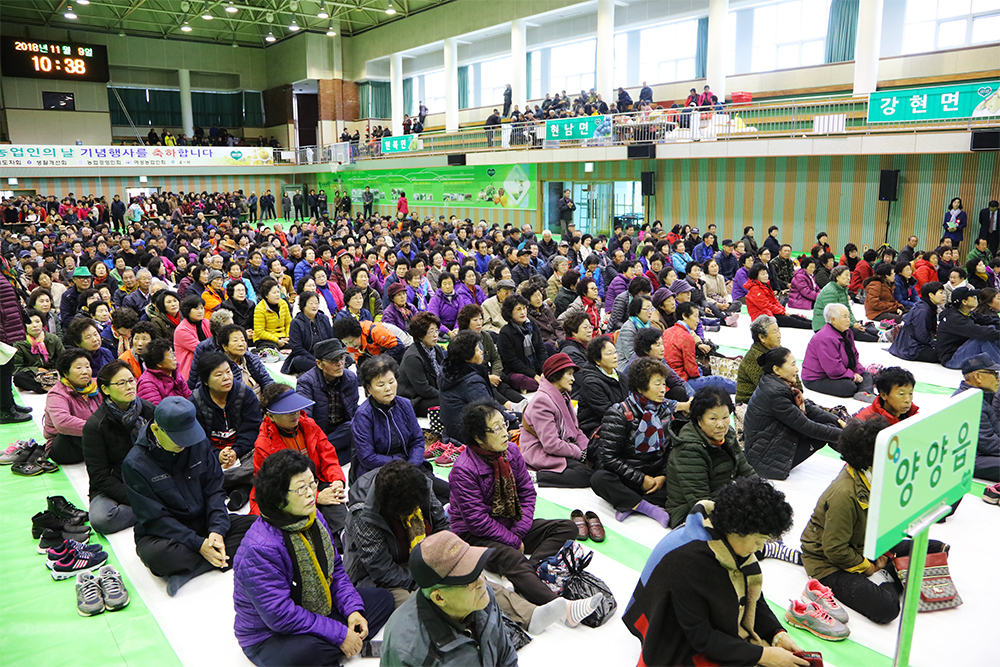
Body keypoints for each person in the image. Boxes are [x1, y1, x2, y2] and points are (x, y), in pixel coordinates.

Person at [344, 460, 581, 634]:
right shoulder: (364, 515)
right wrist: (428, 580)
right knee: (420, 603)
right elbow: (381, 570)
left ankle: (529, 614)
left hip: (425, 554)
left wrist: (445, 563)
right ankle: (467, 631)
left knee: (473, 579)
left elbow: (442, 527)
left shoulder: (419, 488)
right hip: (386, 575)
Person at [623, 477, 807, 667]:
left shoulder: (725, 537)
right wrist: (763, 655)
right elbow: (701, 637)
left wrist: (776, 633)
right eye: (759, 540)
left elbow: (751, 593)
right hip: (673, 630)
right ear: (737, 530)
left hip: (692, 614)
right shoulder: (689, 560)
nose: (760, 548)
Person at [233, 449, 392, 667]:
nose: (311, 494)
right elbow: (280, 616)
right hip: (270, 634)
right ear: (278, 498)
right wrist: (339, 634)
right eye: (301, 488)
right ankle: (341, 645)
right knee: (304, 655)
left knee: (382, 600)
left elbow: (335, 569)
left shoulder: (313, 517)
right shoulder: (260, 548)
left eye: (313, 483)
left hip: (315, 608)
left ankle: (340, 645)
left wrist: (352, 610)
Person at [800, 417, 947, 624]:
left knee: (935, 548)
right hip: (828, 563)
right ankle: (884, 575)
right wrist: (869, 567)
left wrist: (884, 549)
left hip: (864, 544)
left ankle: (888, 568)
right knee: (887, 608)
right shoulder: (845, 494)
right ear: (870, 459)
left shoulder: (875, 478)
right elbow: (834, 549)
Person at [449, 401, 584, 607]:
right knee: (512, 557)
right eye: (496, 429)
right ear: (478, 437)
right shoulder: (463, 470)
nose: (505, 432)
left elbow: (527, 492)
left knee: (567, 527)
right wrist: (513, 541)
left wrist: (518, 532)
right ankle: (562, 607)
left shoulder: (511, 451)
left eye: (504, 424)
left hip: (510, 522)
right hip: (474, 536)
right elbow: (477, 522)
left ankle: (529, 571)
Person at [123, 397, 258, 596]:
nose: (185, 444)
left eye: (189, 437)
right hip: (168, 534)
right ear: (156, 430)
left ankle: (193, 570)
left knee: (257, 527)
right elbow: (155, 519)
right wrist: (197, 543)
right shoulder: (135, 463)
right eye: (179, 439)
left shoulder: (198, 442)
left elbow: (214, 490)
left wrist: (217, 530)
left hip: (204, 522)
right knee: (158, 557)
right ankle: (214, 557)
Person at [380, 531, 519, 667]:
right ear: (439, 597)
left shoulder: (482, 598)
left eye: (478, 569)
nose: (482, 582)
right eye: (469, 579)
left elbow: (506, 657)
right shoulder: (407, 650)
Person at [590, 357, 687, 527]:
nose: (663, 389)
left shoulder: (664, 410)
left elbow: (670, 449)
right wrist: (642, 480)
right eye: (657, 384)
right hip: (630, 475)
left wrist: (662, 476)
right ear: (641, 387)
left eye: (664, 384)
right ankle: (647, 507)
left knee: (686, 476)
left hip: (656, 475)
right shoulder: (619, 413)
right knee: (599, 479)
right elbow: (607, 457)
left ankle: (629, 502)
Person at [252, 384, 349, 539]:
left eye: (296, 409)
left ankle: (345, 535)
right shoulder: (264, 445)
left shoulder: (309, 425)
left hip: (314, 481)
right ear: (270, 416)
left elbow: (328, 456)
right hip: (288, 494)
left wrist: (337, 479)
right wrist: (315, 497)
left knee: (334, 497)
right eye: (288, 411)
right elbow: (275, 489)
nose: (295, 414)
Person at [352, 355, 449, 503]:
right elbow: (367, 458)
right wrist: (401, 465)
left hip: (411, 465)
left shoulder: (404, 404)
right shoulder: (363, 415)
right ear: (368, 388)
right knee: (421, 499)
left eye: (391, 382)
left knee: (450, 492)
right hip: (381, 472)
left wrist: (413, 463)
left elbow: (417, 440)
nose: (388, 388)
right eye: (380, 384)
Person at [744, 347, 843, 480]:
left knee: (831, 424)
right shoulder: (775, 393)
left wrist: (839, 421)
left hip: (771, 441)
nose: (797, 369)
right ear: (777, 369)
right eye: (792, 364)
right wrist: (847, 434)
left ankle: (859, 456)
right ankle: (861, 459)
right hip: (765, 459)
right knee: (824, 432)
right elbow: (808, 427)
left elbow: (809, 409)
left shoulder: (780, 384)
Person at [665, 387, 757, 528]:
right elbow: (700, 500)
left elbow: (746, 470)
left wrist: (764, 492)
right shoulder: (689, 448)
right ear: (699, 420)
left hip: (721, 498)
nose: (721, 425)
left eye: (725, 417)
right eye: (713, 418)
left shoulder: (727, 435)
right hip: (690, 512)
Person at [83, 360, 155, 534]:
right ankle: (157, 508)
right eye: (121, 383)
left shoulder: (148, 410)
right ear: (105, 389)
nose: (129, 387)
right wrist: (135, 498)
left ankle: (156, 507)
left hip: (149, 478)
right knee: (102, 519)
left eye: (131, 380)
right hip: (115, 485)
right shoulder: (95, 426)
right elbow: (99, 475)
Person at [191, 351, 262, 509]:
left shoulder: (245, 394)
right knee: (195, 467)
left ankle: (224, 486)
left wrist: (236, 451)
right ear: (206, 381)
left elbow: (252, 430)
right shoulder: (195, 402)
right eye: (218, 375)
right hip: (212, 456)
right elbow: (198, 440)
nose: (226, 378)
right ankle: (243, 488)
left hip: (244, 455)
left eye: (228, 371)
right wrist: (217, 455)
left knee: (263, 461)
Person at [520, 353, 593, 488]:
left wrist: (589, 449)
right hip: (541, 451)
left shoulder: (563, 395)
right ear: (557, 375)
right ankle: (534, 476)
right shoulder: (542, 401)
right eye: (569, 374)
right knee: (585, 475)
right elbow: (551, 444)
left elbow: (576, 430)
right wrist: (579, 453)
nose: (573, 379)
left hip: (563, 446)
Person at [296, 339, 358, 465]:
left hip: (343, 429)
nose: (340, 364)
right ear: (319, 364)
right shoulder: (306, 382)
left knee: (356, 424)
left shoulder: (350, 378)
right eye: (333, 360)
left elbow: (354, 409)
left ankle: (322, 455)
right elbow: (305, 419)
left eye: (342, 358)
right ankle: (325, 453)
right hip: (320, 432)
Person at [802, 304, 875, 400]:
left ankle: (864, 392)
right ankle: (862, 389)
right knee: (848, 386)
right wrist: (853, 376)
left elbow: (854, 356)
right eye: (845, 317)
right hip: (818, 378)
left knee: (865, 374)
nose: (848, 320)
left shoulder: (847, 332)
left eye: (848, 316)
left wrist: (857, 371)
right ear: (833, 320)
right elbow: (833, 368)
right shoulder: (825, 338)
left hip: (842, 371)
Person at [43, 348, 103, 464]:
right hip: (66, 446)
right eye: (78, 368)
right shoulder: (57, 394)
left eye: (87, 366)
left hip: (94, 438)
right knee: (73, 432)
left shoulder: (97, 386)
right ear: (65, 372)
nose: (85, 371)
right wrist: (100, 429)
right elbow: (62, 423)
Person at [663, 302, 737, 393]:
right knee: (718, 380)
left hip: (667, 378)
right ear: (685, 316)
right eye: (695, 316)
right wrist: (700, 374)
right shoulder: (686, 337)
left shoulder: (667, 331)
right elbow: (691, 370)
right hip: (680, 380)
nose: (698, 321)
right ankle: (743, 391)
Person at [953, 354, 1000, 482]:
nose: (998, 379)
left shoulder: (981, 395)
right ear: (978, 376)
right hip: (971, 458)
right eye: (995, 374)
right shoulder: (969, 402)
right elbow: (987, 443)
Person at [937, 286, 1000, 368]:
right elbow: (979, 331)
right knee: (983, 337)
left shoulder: (967, 313)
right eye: (972, 297)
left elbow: (991, 321)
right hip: (952, 359)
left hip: (962, 350)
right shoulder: (955, 318)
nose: (975, 298)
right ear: (964, 302)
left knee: (992, 328)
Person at [812, 266, 879, 342]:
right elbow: (833, 315)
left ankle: (881, 335)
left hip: (838, 322)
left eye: (849, 275)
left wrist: (854, 322)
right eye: (846, 275)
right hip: (824, 325)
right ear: (837, 277)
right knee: (853, 332)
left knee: (861, 327)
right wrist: (851, 324)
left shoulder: (842, 289)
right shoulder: (830, 291)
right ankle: (879, 340)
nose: (849, 278)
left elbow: (847, 310)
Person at [398, 312, 445, 417]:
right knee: (448, 401)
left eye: (437, 330)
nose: (435, 335)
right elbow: (423, 389)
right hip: (416, 400)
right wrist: (445, 395)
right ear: (420, 335)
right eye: (431, 332)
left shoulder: (436, 349)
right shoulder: (413, 357)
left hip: (433, 394)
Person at [497, 294, 548, 392]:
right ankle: (545, 386)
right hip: (515, 371)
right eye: (518, 309)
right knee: (522, 380)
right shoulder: (505, 333)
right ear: (510, 313)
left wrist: (543, 371)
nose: (523, 312)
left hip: (535, 367)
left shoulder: (532, 325)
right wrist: (534, 375)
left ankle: (544, 384)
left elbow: (541, 350)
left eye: (524, 308)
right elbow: (512, 362)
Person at [889, 281, 946, 363]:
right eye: (941, 293)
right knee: (943, 355)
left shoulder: (928, 307)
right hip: (910, 346)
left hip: (912, 343)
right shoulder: (923, 311)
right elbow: (921, 335)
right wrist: (934, 343)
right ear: (931, 295)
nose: (943, 296)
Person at [13, 308, 65, 394]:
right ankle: (43, 388)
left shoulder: (53, 339)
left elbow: (64, 359)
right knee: (19, 378)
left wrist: (53, 372)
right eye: (29, 323)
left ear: (42, 323)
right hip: (34, 376)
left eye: (38, 321)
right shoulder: (19, 344)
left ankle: (54, 384)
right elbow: (16, 368)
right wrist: (36, 369)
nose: (35, 325)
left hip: (53, 373)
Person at [281, 291, 334, 375]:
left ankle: (325, 368)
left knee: (346, 359)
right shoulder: (296, 322)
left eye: (316, 303)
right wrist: (316, 360)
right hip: (307, 357)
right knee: (299, 361)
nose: (314, 306)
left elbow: (331, 340)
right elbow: (297, 349)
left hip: (324, 356)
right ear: (303, 305)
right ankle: (326, 368)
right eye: (311, 303)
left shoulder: (324, 318)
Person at [745, 264, 811, 328]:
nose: (766, 276)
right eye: (763, 274)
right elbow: (765, 306)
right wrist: (781, 312)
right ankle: (813, 326)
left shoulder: (765, 285)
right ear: (756, 276)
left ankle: (814, 324)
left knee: (793, 316)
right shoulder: (755, 289)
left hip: (770, 313)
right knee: (791, 321)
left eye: (766, 273)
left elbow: (774, 300)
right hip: (762, 317)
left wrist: (783, 311)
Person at [854, 366, 919, 426]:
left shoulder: (913, 415)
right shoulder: (866, 422)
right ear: (884, 395)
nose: (907, 400)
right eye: (901, 394)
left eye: (910, 393)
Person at [137, 338, 192, 404]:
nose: (175, 358)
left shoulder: (175, 374)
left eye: (173, 354)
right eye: (171, 356)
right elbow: (157, 411)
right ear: (159, 363)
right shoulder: (147, 384)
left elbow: (189, 398)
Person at [174, 295, 212, 382]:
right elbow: (200, 348)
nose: (200, 311)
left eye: (202, 308)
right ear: (188, 311)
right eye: (196, 309)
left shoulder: (206, 322)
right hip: (190, 372)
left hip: (208, 364)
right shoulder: (181, 330)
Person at [253, 279, 292, 352]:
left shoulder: (283, 304)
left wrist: (287, 336)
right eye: (274, 293)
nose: (277, 295)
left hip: (283, 337)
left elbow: (288, 323)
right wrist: (277, 340)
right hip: (265, 339)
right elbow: (259, 331)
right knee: (272, 348)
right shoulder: (260, 308)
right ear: (266, 295)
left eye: (278, 292)